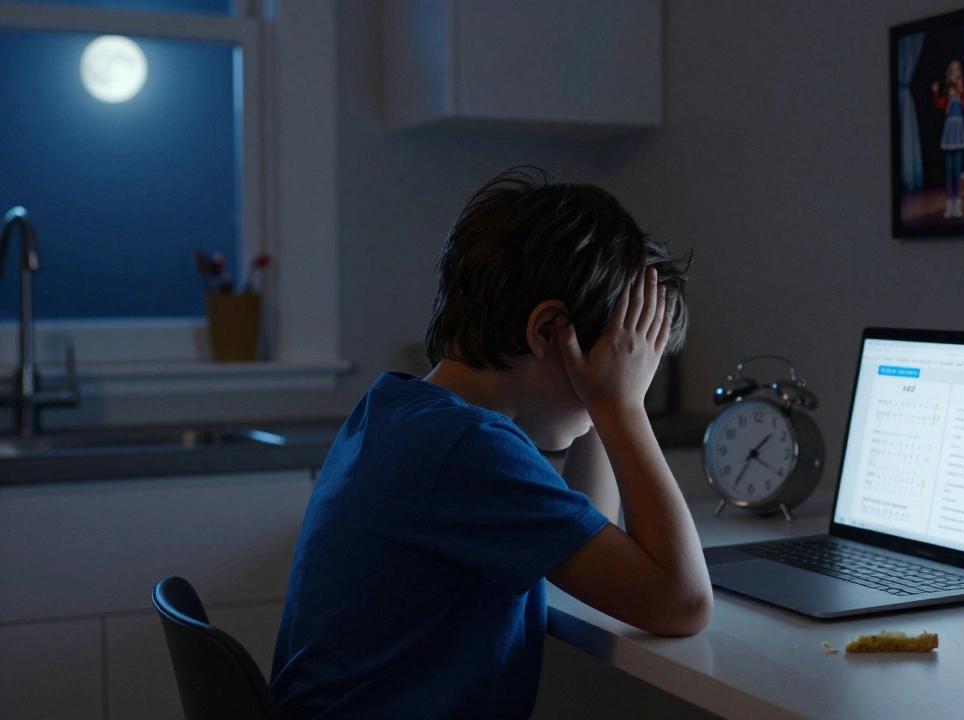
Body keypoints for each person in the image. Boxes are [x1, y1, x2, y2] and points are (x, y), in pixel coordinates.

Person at [269, 166, 712, 719]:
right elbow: (683, 602)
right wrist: (621, 406)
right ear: (548, 332)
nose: (622, 385)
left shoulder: (400, 411)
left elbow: (588, 542)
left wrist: (606, 405)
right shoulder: (468, 448)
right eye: (619, 368)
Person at [932, 60, 964, 219]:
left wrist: (961, 93)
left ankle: (958, 204)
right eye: (953, 70)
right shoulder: (948, 93)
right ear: (949, 75)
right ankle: (949, 204)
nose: (956, 73)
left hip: (959, 132)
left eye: (958, 70)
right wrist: (935, 92)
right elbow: (940, 105)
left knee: (957, 170)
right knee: (949, 170)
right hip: (949, 132)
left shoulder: (961, 93)